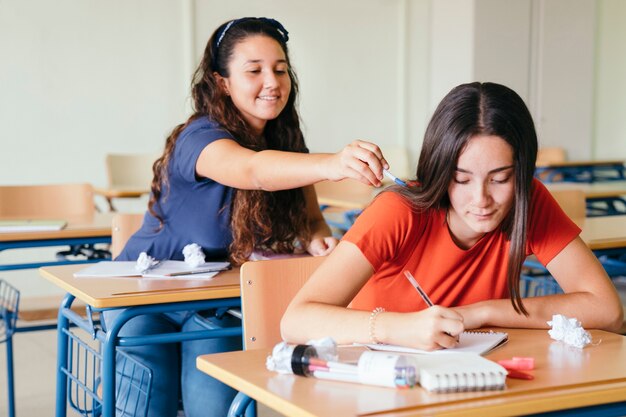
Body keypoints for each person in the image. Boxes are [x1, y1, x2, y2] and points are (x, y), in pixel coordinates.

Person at [107, 17, 388, 417]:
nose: (272, 82)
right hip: (147, 300)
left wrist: (317, 237)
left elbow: (309, 218)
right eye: (254, 71)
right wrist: (333, 163)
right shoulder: (199, 136)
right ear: (222, 82)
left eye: (280, 69)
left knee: (216, 408)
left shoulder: (284, 139)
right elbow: (254, 170)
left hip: (212, 303)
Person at [281, 82, 623, 352]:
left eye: (500, 179)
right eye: (461, 179)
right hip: (380, 379)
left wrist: (484, 312)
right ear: (439, 170)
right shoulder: (398, 212)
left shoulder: (529, 201)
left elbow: (609, 310)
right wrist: (400, 327)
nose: (481, 200)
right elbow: (296, 320)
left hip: (473, 382)